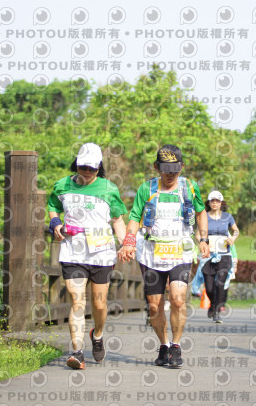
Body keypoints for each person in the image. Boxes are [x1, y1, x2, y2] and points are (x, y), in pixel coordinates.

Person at [118, 144, 210, 368]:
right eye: (166, 169)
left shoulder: (190, 187)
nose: (170, 174)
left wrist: (204, 239)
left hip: (180, 250)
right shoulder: (146, 189)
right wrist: (129, 242)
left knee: (178, 299)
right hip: (151, 252)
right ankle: (164, 345)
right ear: (156, 167)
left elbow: (201, 213)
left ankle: (176, 347)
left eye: (175, 169)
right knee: (153, 305)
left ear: (182, 167)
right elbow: (134, 217)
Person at [47, 143, 127, 369]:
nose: (86, 172)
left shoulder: (108, 188)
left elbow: (118, 220)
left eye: (91, 168)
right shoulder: (62, 185)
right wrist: (55, 222)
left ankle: (98, 334)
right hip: (73, 251)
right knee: (77, 300)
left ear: (99, 167)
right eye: (83, 167)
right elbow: (53, 205)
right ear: (76, 164)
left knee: (100, 304)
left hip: (101, 252)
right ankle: (77, 352)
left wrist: (126, 243)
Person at [196, 191, 239, 323]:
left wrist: (233, 238)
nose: (215, 203)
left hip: (224, 256)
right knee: (209, 287)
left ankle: (217, 312)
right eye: (212, 200)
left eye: (217, 201)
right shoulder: (204, 217)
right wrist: (202, 242)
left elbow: (236, 231)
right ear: (209, 203)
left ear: (221, 203)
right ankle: (213, 304)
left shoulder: (227, 217)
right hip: (208, 256)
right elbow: (197, 234)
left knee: (220, 283)